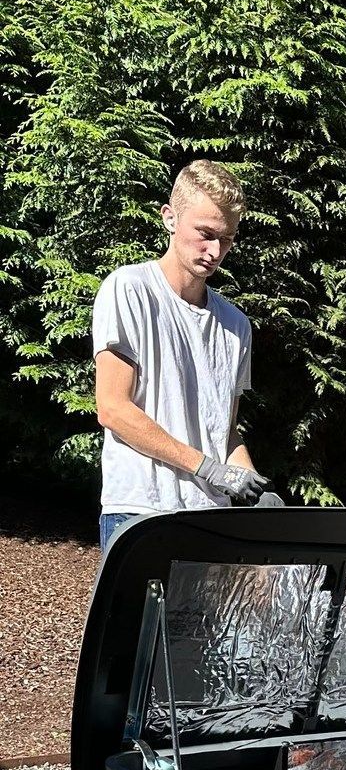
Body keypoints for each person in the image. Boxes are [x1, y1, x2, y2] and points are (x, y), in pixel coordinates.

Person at [92, 159, 267, 551]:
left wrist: (254, 488)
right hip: (140, 512)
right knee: (133, 617)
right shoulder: (129, 290)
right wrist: (208, 468)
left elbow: (225, 431)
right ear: (170, 218)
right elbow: (113, 409)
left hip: (211, 517)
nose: (215, 250)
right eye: (205, 234)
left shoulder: (236, 325)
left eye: (227, 239)